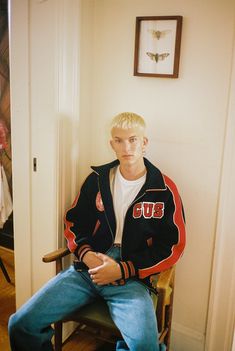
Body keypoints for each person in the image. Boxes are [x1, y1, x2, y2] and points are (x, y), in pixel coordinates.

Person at [8, 112, 186, 351]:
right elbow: (74, 222)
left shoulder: (164, 190)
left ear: (145, 143)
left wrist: (123, 269)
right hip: (86, 271)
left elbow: (172, 246)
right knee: (21, 324)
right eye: (119, 140)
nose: (126, 146)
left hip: (132, 278)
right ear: (111, 144)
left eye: (133, 139)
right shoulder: (97, 179)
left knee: (145, 347)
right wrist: (86, 254)